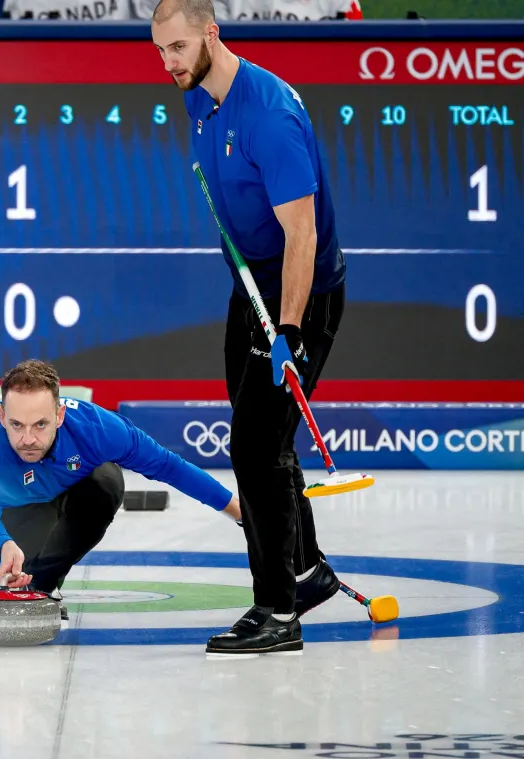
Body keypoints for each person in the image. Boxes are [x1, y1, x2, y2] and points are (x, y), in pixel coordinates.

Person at [150, 0, 346, 655]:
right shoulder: (198, 98)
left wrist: (288, 329)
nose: (168, 63)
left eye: (177, 48)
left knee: (255, 448)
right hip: (250, 286)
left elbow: (303, 234)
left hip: (300, 293)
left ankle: (277, 613)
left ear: (212, 33)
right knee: (263, 438)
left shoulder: (270, 115)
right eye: (160, 51)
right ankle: (308, 568)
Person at [0, 359, 244, 621]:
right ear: (3, 415)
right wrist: (2, 544)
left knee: (106, 480)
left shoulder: (96, 428)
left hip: (75, 497)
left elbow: (169, 467)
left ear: (59, 415)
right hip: (19, 512)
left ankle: (43, 585)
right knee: (20, 561)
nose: (28, 439)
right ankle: (34, 571)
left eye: (40, 424)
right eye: (16, 424)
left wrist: (238, 511)